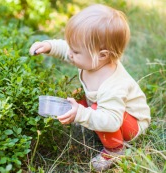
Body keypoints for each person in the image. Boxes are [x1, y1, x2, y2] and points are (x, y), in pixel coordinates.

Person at [29, 4, 151, 171]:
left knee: (97, 109)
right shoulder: (91, 60)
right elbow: (67, 50)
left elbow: (112, 121)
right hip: (109, 109)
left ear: (102, 55)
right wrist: (49, 46)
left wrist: (81, 113)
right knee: (78, 96)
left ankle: (115, 151)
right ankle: (88, 115)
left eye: (76, 51)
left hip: (130, 124)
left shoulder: (113, 85)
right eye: (71, 47)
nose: (71, 53)